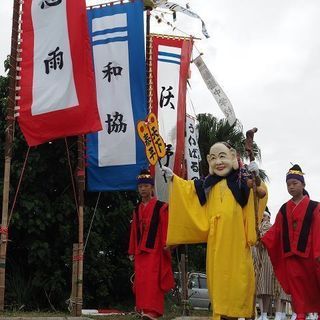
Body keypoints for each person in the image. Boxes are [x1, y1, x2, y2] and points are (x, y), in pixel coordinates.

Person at [162, 142, 268, 320]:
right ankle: (222, 313)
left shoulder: (242, 180)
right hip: (216, 244)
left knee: (239, 281)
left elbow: (260, 194)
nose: (218, 162)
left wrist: (256, 178)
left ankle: (242, 313)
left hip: (237, 242)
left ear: (233, 157)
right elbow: (189, 190)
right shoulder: (208, 184)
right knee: (219, 283)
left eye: (222, 156)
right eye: (214, 158)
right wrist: (173, 178)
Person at [262, 164, 320, 320]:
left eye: (295, 183)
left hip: (310, 255)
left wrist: (318, 252)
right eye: (288, 184)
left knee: (315, 284)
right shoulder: (283, 209)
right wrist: (263, 239)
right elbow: (276, 230)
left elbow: (318, 230)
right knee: (296, 288)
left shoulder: (315, 207)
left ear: (303, 184)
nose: (291, 187)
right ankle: (300, 313)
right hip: (290, 255)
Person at [128, 169, 174, 320]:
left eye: (146, 186)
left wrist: (167, 244)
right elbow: (134, 231)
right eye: (140, 186)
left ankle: (152, 312)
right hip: (141, 252)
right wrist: (132, 250)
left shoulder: (161, 207)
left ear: (152, 188)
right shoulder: (137, 209)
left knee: (153, 282)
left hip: (155, 251)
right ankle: (143, 310)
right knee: (141, 282)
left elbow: (165, 226)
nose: (143, 189)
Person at [253, 208, 274, 320]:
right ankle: (261, 313)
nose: (264, 218)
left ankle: (264, 314)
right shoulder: (256, 226)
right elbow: (255, 241)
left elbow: (266, 240)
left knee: (266, 288)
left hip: (267, 260)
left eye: (265, 216)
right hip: (258, 259)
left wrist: (260, 236)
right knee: (260, 289)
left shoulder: (270, 227)